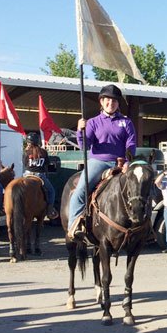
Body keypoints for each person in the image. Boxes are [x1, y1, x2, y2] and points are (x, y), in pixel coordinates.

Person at [67, 84, 137, 240]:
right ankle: (74, 226)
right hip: (99, 162)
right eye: (107, 100)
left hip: (121, 162)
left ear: (118, 103)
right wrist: (80, 131)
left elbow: (131, 144)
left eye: (114, 101)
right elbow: (85, 145)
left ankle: (142, 226)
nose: (110, 103)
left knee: (140, 188)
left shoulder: (126, 122)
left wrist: (128, 161)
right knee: (80, 192)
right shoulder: (92, 122)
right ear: (101, 101)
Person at [23, 132, 59, 220]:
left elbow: (24, 164)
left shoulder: (26, 152)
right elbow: (46, 164)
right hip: (40, 176)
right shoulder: (43, 152)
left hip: (27, 175)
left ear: (28, 142)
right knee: (51, 191)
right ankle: (50, 210)